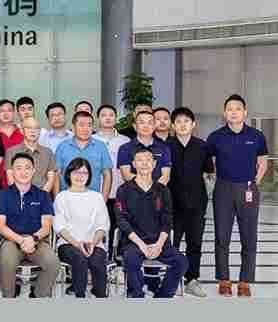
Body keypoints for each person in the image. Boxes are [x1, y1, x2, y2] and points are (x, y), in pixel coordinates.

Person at [206, 94, 268, 297]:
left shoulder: (257, 136)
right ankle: (224, 279)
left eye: (238, 109)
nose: (233, 112)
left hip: (248, 188)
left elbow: (263, 162)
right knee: (221, 236)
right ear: (224, 113)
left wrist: (254, 182)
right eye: (230, 109)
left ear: (245, 112)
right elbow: (209, 163)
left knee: (249, 236)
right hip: (223, 189)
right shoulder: (215, 137)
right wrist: (216, 178)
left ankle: (244, 281)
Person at [115, 147, 188, 298]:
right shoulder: (124, 190)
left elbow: (167, 220)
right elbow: (122, 221)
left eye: (148, 160)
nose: (144, 164)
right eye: (140, 160)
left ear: (154, 164)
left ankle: (163, 295)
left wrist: (159, 245)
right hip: (134, 243)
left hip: (159, 242)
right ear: (134, 164)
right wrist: (141, 245)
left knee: (181, 262)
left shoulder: (163, 190)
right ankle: (137, 295)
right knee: (131, 260)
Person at [0, 153, 60, 298]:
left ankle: (37, 295)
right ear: (12, 171)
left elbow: (46, 227)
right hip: (10, 240)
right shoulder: (2, 195)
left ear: (33, 171)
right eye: (18, 168)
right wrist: (21, 240)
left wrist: (33, 239)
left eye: (27, 168)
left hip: (37, 241)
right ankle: (9, 297)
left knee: (53, 263)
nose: (23, 172)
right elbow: (0, 227)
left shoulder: (43, 196)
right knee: (7, 261)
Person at [167, 107, 214, 298]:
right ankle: (171, 279)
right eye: (178, 121)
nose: (182, 125)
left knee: (195, 243)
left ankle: (192, 280)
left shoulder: (202, 146)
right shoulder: (166, 146)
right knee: (172, 243)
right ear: (173, 125)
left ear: (193, 124)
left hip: (196, 203)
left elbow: (209, 173)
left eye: (186, 121)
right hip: (172, 204)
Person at [53, 158, 110, 298]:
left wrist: (93, 243)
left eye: (84, 173)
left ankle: (100, 294)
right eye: (76, 172)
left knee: (97, 260)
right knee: (80, 258)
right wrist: (77, 244)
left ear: (89, 176)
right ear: (69, 174)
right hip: (68, 244)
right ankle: (80, 295)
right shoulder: (61, 197)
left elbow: (103, 225)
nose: (80, 176)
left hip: (94, 242)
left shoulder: (97, 197)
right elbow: (60, 227)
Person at [93, 105, 130, 259]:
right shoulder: (91, 139)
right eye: (104, 115)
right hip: (96, 193)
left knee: (118, 227)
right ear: (98, 119)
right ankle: (100, 257)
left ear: (116, 118)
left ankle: (116, 260)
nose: (107, 118)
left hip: (119, 192)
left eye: (111, 115)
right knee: (98, 227)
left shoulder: (125, 141)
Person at [54, 111, 112, 198]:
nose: (85, 129)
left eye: (89, 125)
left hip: (93, 199)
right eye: (81, 125)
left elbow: (107, 175)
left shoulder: (101, 146)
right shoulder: (62, 146)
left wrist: (103, 201)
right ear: (73, 127)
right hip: (67, 199)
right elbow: (56, 175)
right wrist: (57, 199)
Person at [117, 110, 172, 185]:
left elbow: (165, 176)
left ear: (154, 126)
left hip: (158, 190)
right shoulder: (125, 148)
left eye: (150, 123)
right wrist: (145, 188)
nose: (146, 126)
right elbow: (126, 175)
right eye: (142, 122)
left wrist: (153, 189)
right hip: (133, 191)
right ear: (135, 126)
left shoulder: (164, 148)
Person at [5, 117, 57, 192]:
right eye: (29, 128)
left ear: (40, 131)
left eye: (36, 128)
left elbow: (51, 179)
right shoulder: (11, 152)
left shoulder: (48, 152)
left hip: (42, 195)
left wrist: (41, 195)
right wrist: (21, 195)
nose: (33, 131)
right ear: (22, 131)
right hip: (18, 195)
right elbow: (10, 179)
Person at [0, 99, 24, 189]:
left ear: (14, 113)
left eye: (9, 110)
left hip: (21, 183)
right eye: (2, 111)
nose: (5, 114)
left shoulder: (24, 134)